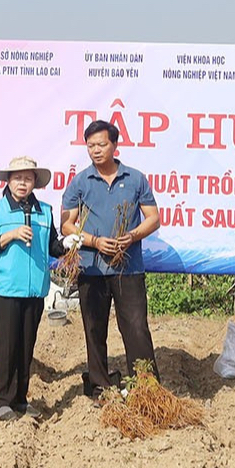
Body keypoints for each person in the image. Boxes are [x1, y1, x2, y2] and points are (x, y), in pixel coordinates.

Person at [61, 119, 160, 395]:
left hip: (128, 269)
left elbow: (153, 218)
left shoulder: (135, 178)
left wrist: (132, 236)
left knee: (136, 328)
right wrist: (94, 241)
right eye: (90, 145)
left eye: (101, 144)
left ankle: (145, 387)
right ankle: (100, 386)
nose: (96, 150)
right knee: (94, 330)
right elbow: (66, 224)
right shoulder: (80, 181)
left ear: (114, 145)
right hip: (91, 269)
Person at [0, 158, 79, 420]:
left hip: (35, 290)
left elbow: (52, 247)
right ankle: (3, 400)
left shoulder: (44, 211)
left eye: (28, 178)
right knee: (6, 346)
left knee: (26, 345)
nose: (22, 183)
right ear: (8, 181)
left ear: (35, 182)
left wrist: (67, 243)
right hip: (7, 288)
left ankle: (21, 399)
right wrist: (11, 235)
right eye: (17, 178)